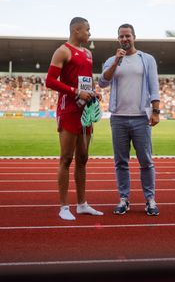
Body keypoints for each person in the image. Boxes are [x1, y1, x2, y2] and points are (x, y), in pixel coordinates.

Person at [98, 23, 161, 216]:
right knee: (121, 162)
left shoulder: (147, 59)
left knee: (146, 161)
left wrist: (156, 111)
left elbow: (154, 85)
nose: (124, 39)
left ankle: (150, 200)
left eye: (128, 36)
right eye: (121, 37)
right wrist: (117, 61)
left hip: (141, 118)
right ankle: (124, 199)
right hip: (118, 117)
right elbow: (102, 82)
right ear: (118, 39)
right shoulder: (112, 60)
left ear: (134, 37)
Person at [45, 16, 103, 221]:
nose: (89, 33)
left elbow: (87, 79)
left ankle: (82, 204)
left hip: (85, 111)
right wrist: (75, 92)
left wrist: (93, 92)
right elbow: (50, 81)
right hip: (68, 110)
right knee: (66, 158)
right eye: (87, 29)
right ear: (77, 30)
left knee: (83, 159)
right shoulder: (63, 51)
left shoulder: (88, 53)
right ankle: (63, 206)